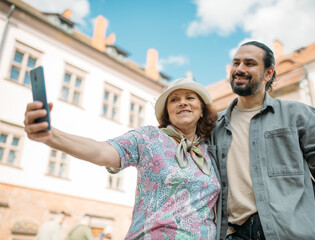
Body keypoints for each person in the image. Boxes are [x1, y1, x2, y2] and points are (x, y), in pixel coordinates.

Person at [24, 78, 220, 239]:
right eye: (174, 99)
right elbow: (102, 151)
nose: (182, 102)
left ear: (202, 109)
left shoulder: (209, 152)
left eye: (190, 97)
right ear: (167, 112)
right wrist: (52, 136)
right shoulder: (149, 137)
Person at [208, 41, 315, 240]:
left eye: (249, 63)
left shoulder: (299, 116)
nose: (239, 69)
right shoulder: (213, 127)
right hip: (235, 234)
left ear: (268, 73)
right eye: (236, 63)